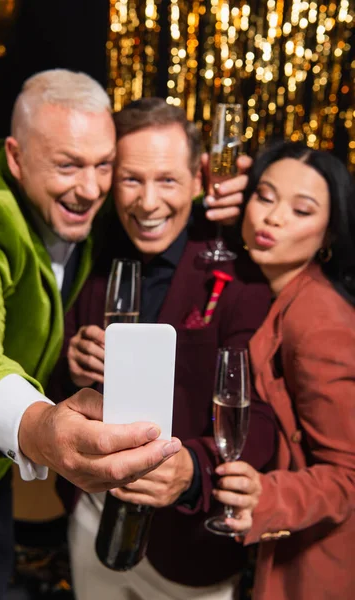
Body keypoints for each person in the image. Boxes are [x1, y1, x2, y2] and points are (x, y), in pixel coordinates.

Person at [0, 70, 184, 600]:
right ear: (15, 158)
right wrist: (37, 428)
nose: (90, 188)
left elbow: (153, 200)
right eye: (68, 165)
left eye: (105, 165)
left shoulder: (88, 208)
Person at [51, 98, 278, 600]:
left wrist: (193, 471)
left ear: (200, 180)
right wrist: (68, 365)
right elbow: (47, 378)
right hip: (92, 518)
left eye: (168, 181)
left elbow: (263, 420)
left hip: (188, 547)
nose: (148, 202)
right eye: (132, 180)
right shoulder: (97, 257)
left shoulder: (240, 273)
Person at [211, 140, 355, 599]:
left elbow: (348, 473)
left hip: (319, 566)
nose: (272, 218)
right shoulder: (270, 290)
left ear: (329, 235)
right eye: (265, 197)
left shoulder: (318, 324)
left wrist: (267, 496)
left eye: (302, 210)